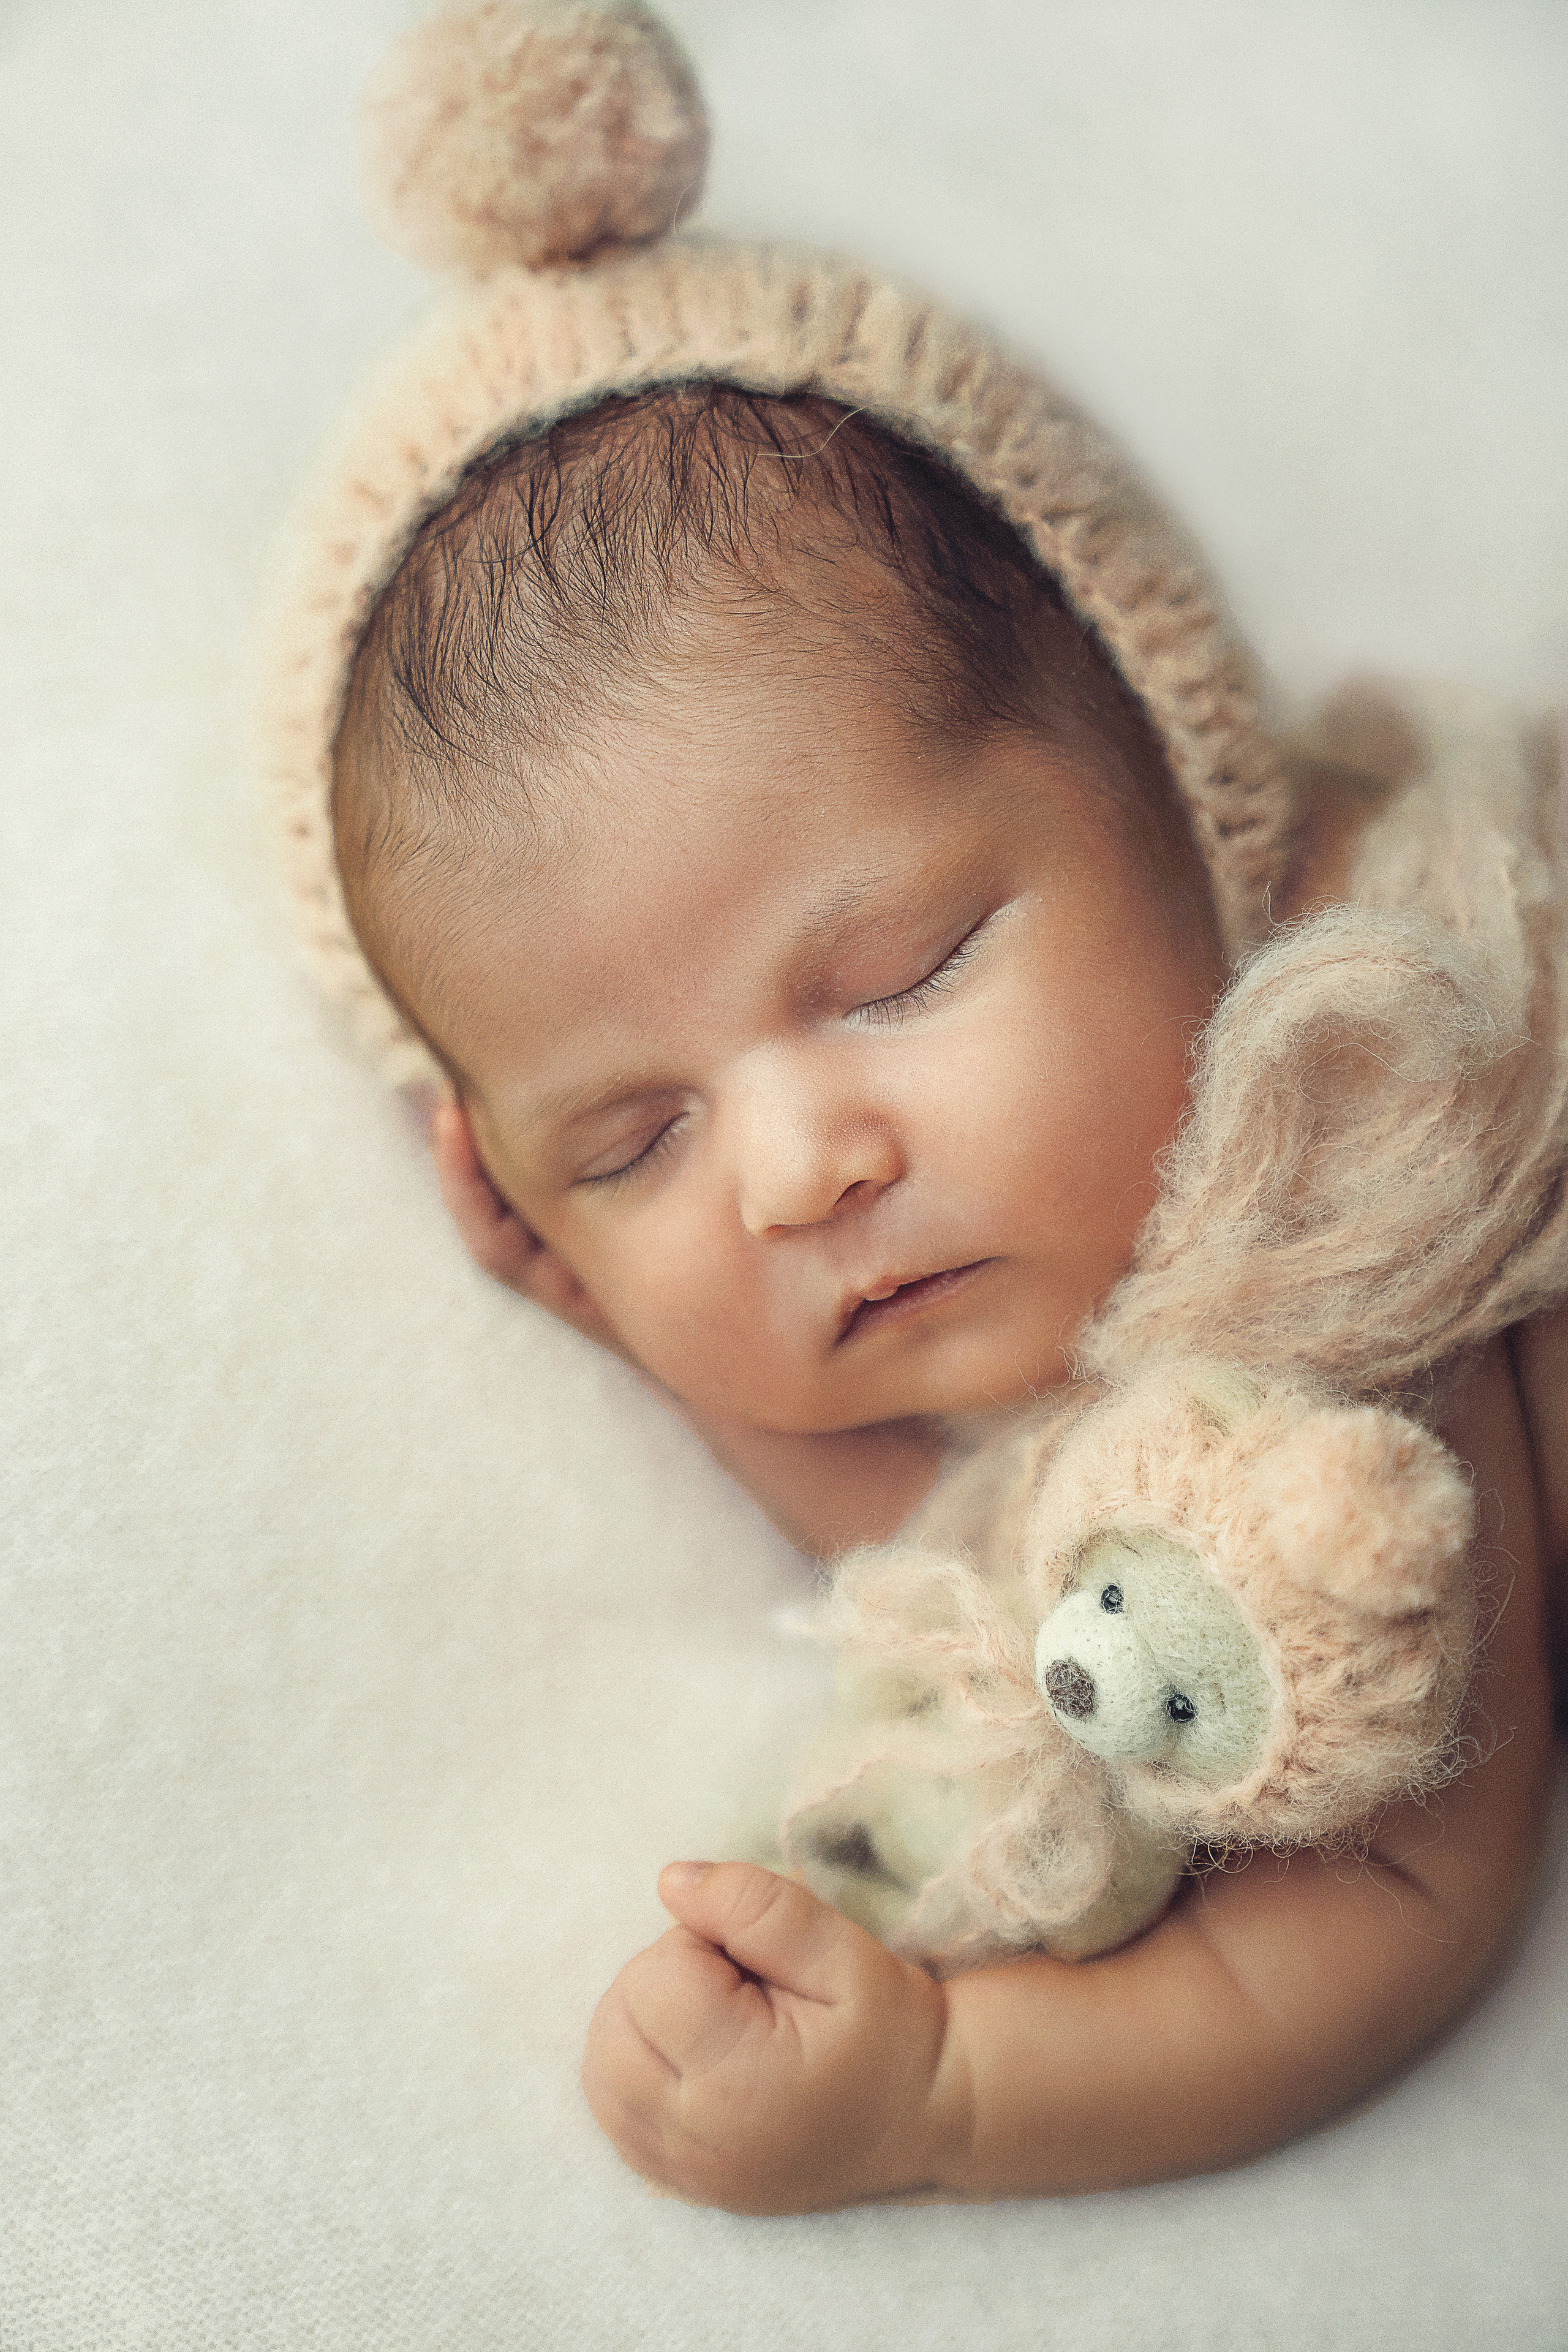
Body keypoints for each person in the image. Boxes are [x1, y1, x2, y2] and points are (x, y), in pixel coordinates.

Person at [262, 1, 1564, 2217]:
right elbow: (1010, 1537)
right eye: (633, 1145)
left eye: (902, 975)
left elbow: (1395, 1906)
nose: (794, 1172)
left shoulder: (1363, 1174)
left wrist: (950, 2096)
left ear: (1197, 810)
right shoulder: (1057, 1282)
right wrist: (638, 1333)